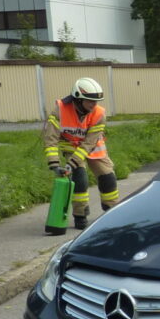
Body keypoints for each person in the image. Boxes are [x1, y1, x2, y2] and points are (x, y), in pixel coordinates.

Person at [42, 77, 119, 230]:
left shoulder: (99, 114)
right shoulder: (60, 110)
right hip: (70, 145)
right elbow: (51, 138)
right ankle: (80, 215)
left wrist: (72, 163)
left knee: (107, 177)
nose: (94, 105)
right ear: (78, 99)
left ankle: (111, 211)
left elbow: (89, 143)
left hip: (93, 146)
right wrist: (54, 164)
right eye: (90, 101)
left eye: (96, 101)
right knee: (80, 179)